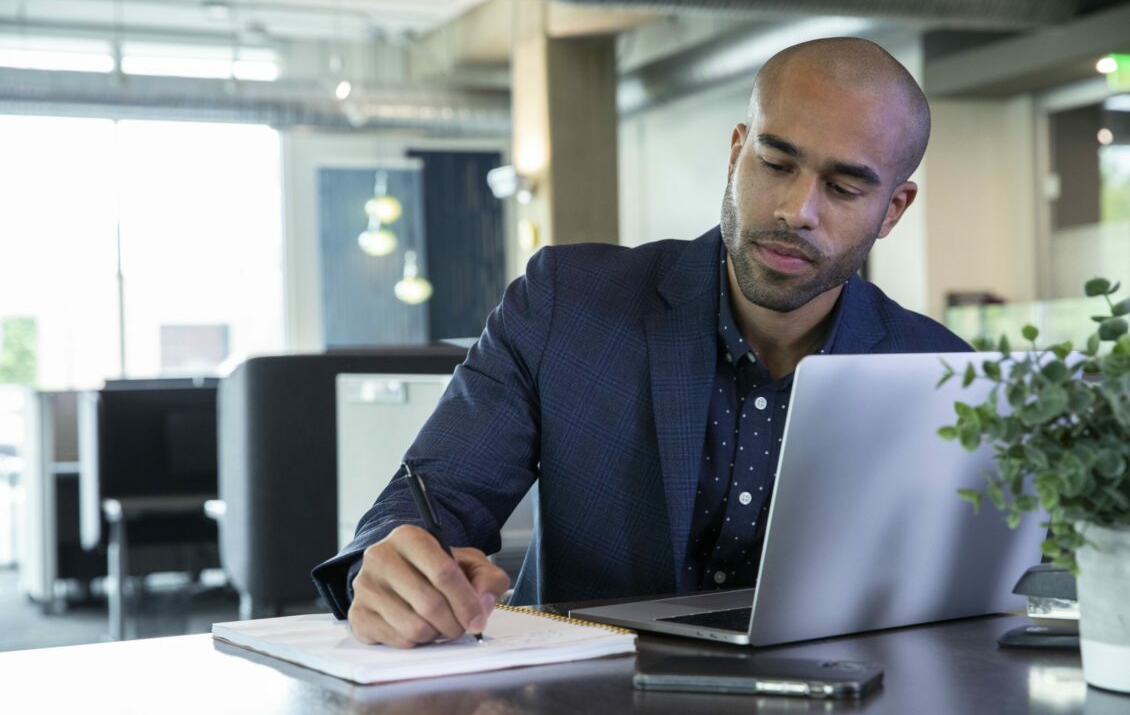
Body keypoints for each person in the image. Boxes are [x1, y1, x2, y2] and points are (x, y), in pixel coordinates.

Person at [312, 37, 972, 648]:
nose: (797, 209)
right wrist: (391, 565)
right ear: (737, 151)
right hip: (582, 711)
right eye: (775, 162)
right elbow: (437, 495)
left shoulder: (943, 375)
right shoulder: (565, 304)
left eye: (845, 187)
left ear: (893, 208)